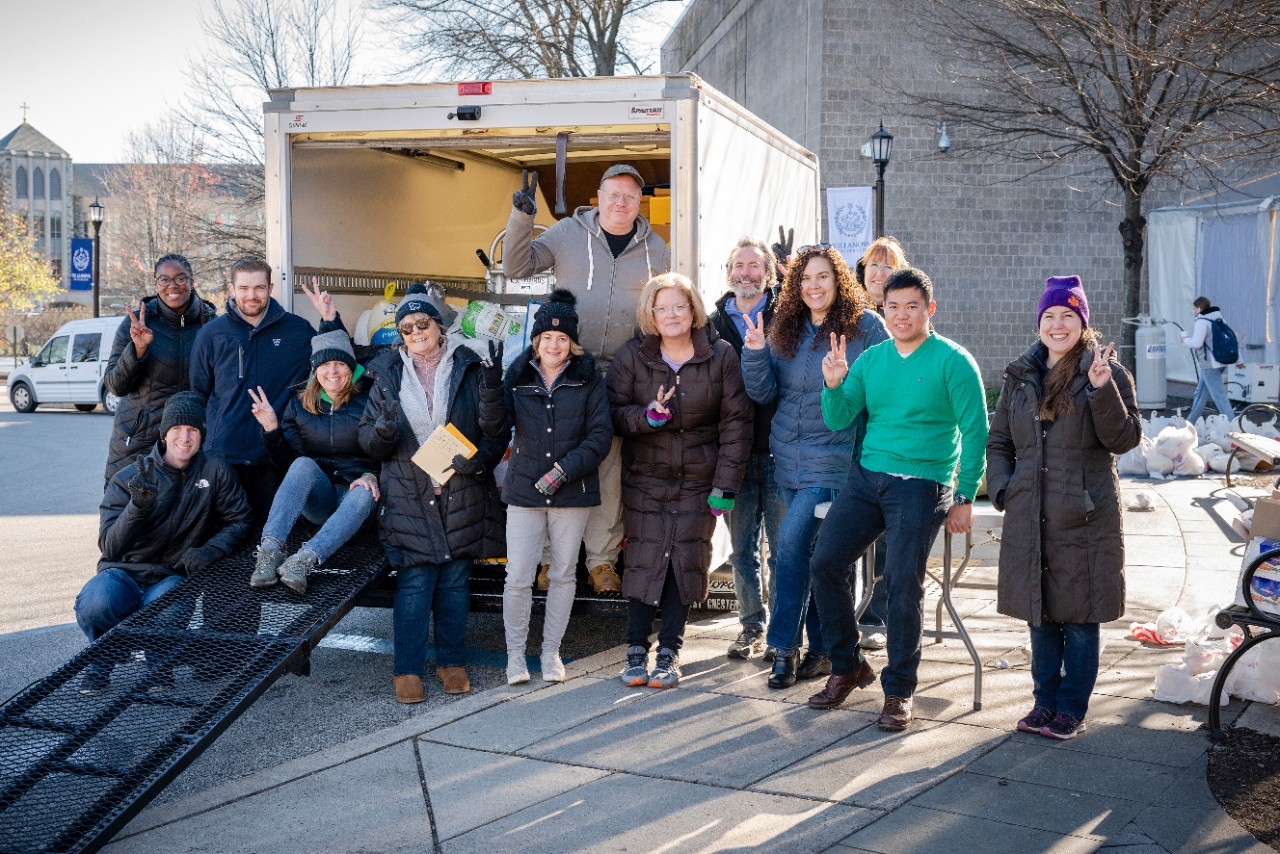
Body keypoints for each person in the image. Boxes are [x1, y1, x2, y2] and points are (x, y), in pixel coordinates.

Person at [806, 268, 988, 732]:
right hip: (868, 478)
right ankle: (847, 666)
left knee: (903, 582)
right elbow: (838, 418)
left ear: (930, 309)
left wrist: (964, 495)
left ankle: (899, 690)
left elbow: (976, 432)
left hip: (922, 482)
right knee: (825, 563)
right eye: (892, 307)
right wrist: (833, 382)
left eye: (911, 306)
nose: (901, 315)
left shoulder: (954, 361)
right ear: (881, 310)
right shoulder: (872, 359)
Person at [504, 164, 672, 595]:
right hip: (565, 366)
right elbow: (517, 267)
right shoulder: (566, 233)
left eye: (630, 198)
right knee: (551, 457)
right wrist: (521, 218)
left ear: (640, 204)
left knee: (608, 469)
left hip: (620, 374)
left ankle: (601, 562)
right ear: (598, 196)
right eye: (613, 195)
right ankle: (547, 561)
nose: (621, 203)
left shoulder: (658, 249)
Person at [987, 276, 1140, 739]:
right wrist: (1003, 489)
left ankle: (1071, 707)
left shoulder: (1104, 371)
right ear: (1039, 323)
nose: (1058, 325)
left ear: (1083, 322)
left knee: (1078, 617)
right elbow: (999, 442)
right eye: (1050, 316)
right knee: (1041, 613)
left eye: (1068, 316)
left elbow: (1125, 439)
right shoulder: (1020, 376)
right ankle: (1043, 702)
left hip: (1084, 517)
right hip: (1030, 512)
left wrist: (1101, 390)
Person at [742, 244, 888, 688]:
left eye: (822, 276)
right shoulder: (786, 327)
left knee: (789, 550)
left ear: (838, 279)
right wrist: (754, 351)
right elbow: (764, 394)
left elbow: (886, 388)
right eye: (804, 278)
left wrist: (844, 384)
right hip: (787, 460)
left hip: (836, 463)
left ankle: (783, 648)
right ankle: (825, 649)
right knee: (818, 558)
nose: (813, 285)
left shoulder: (865, 327)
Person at [359, 284, 506, 703]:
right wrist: (384, 429)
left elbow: (495, 429)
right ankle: (406, 669)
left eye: (422, 323)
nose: (415, 332)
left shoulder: (471, 365)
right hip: (408, 492)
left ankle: (452, 662)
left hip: (461, 486)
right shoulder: (385, 374)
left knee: (456, 582)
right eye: (406, 328)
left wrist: (493, 387)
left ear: (438, 326)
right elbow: (368, 443)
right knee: (415, 582)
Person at [607, 273, 753, 689]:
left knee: (682, 563)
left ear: (693, 310)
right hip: (646, 478)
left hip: (699, 479)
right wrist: (647, 417)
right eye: (662, 307)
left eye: (680, 306)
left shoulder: (721, 355)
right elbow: (612, 413)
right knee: (644, 558)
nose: (671, 315)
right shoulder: (632, 356)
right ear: (650, 314)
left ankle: (669, 652)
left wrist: (725, 486)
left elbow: (737, 424)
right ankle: (635, 651)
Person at [75, 391, 253, 694]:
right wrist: (137, 508)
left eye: (193, 430)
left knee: (167, 608)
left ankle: (159, 667)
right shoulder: (131, 476)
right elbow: (110, 547)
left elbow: (240, 520)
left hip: (171, 575)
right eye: (177, 430)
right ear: (164, 434)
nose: (185, 437)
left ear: (201, 434)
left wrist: (212, 548)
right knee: (94, 605)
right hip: (123, 572)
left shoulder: (216, 471)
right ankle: (102, 660)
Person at [477, 290, 613, 685]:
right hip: (524, 492)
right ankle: (515, 657)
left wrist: (563, 471)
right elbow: (496, 429)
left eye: (562, 339)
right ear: (536, 340)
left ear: (573, 343)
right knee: (518, 575)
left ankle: (551, 653)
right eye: (546, 338)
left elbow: (600, 436)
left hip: (571, 493)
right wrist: (489, 387)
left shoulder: (589, 380)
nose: (554, 345)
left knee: (563, 573)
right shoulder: (517, 378)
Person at [190, 259, 344, 523]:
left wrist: (330, 320)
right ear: (232, 288)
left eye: (259, 288)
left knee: (271, 541)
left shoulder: (298, 332)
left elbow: (340, 368)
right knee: (226, 540)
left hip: (276, 459)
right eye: (244, 288)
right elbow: (198, 394)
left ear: (271, 288)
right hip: (225, 459)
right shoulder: (211, 335)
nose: (251, 295)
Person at [248, 330, 380, 595]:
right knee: (303, 465)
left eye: (340, 364)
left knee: (364, 492)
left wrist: (372, 474)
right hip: (320, 498)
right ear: (314, 370)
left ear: (351, 369)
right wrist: (272, 430)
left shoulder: (369, 401)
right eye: (324, 364)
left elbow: (388, 448)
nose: (332, 371)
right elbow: (290, 465)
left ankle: (304, 560)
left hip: (354, 500)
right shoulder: (299, 405)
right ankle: (271, 550)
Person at [708, 236, 783, 660]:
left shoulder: (786, 317)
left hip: (779, 452)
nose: (746, 273)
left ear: (768, 275)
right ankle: (751, 627)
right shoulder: (713, 324)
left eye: (755, 266)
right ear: (729, 273)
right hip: (732, 456)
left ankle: (782, 631)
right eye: (739, 266)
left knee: (782, 549)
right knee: (742, 551)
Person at [102, 253, 216, 487]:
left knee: (189, 517)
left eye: (180, 278)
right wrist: (137, 351)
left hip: (191, 438)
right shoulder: (137, 323)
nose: (172, 285)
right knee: (129, 513)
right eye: (164, 279)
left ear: (192, 281)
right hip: (140, 439)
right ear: (156, 283)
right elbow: (115, 385)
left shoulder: (212, 324)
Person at [854, 235, 910, 652]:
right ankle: (853, 611)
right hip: (852, 439)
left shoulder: (906, 318)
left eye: (888, 266)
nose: (879, 272)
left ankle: (878, 616)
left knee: (889, 536)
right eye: (873, 265)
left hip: (893, 441)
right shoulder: (849, 316)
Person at [1181, 296, 1236, 424]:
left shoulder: (1202, 321)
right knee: (1200, 393)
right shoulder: (1218, 318)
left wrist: (1185, 340)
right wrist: (1239, 360)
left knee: (1219, 396)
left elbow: (1197, 343)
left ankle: (1234, 427)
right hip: (1220, 361)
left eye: (1194, 308)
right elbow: (1229, 338)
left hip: (1209, 363)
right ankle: (1190, 423)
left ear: (1199, 308)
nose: (1193, 311)